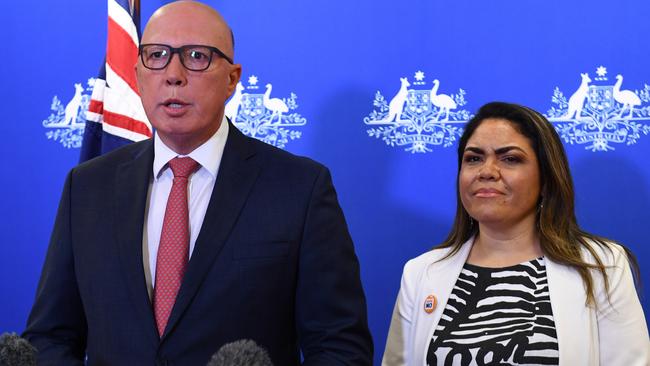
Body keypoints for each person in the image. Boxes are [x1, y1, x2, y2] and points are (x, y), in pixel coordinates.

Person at [24, 1, 373, 365]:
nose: (173, 74)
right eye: (156, 55)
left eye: (196, 56)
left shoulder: (300, 188)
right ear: (138, 73)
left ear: (232, 79)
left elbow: (339, 348)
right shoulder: (87, 187)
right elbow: (51, 337)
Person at [382, 102, 649, 365]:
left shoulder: (602, 265)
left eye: (510, 159)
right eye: (474, 158)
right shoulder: (420, 273)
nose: (487, 172)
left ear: (546, 179)